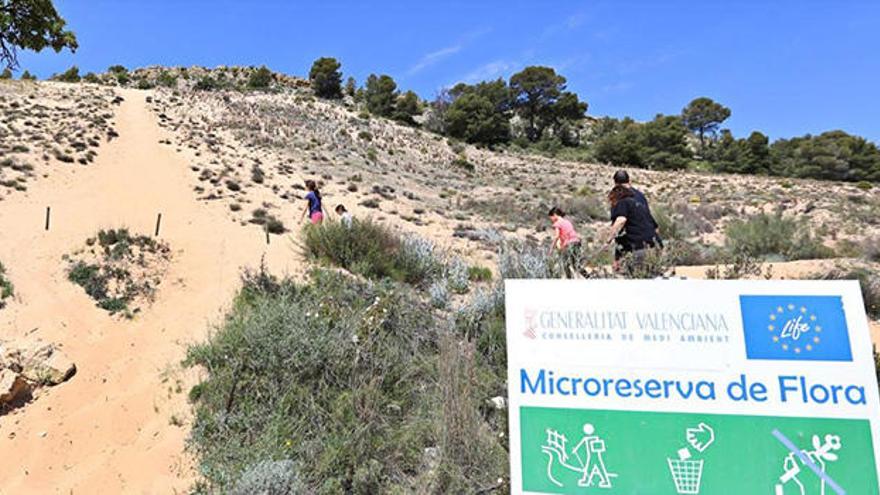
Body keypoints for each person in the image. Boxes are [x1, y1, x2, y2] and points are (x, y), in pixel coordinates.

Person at [604, 185, 660, 271]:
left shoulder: (623, 203)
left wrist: (608, 240)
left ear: (615, 197)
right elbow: (656, 228)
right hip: (655, 248)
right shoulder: (640, 206)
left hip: (639, 249)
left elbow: (621, 220)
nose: (612, 204)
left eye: (611, 201)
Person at [548, 207, 589, 279]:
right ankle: (588, 277)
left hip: (569, 244)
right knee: (576, 265)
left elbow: (557, 236)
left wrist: (551, 248)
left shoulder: (557, 223)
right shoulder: (567, 222)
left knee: (565, 264)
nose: (551, 220)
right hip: (576, 242)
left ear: (554, 215)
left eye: (551, 217)